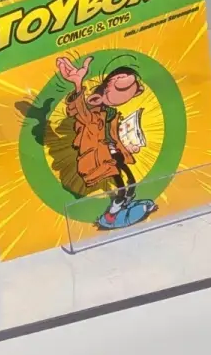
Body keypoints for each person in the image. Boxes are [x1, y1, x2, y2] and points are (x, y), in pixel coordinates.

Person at [55, 55, 157, 230]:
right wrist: (78, 84)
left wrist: (129, 145)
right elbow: (79, 111)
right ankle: (109, 217)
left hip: (115, 154)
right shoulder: (92, 116)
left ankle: (124, 207)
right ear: (98, 97)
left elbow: (115, 136)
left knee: (131, 183)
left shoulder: (112, 114)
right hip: (100, 158)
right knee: (121, 189)